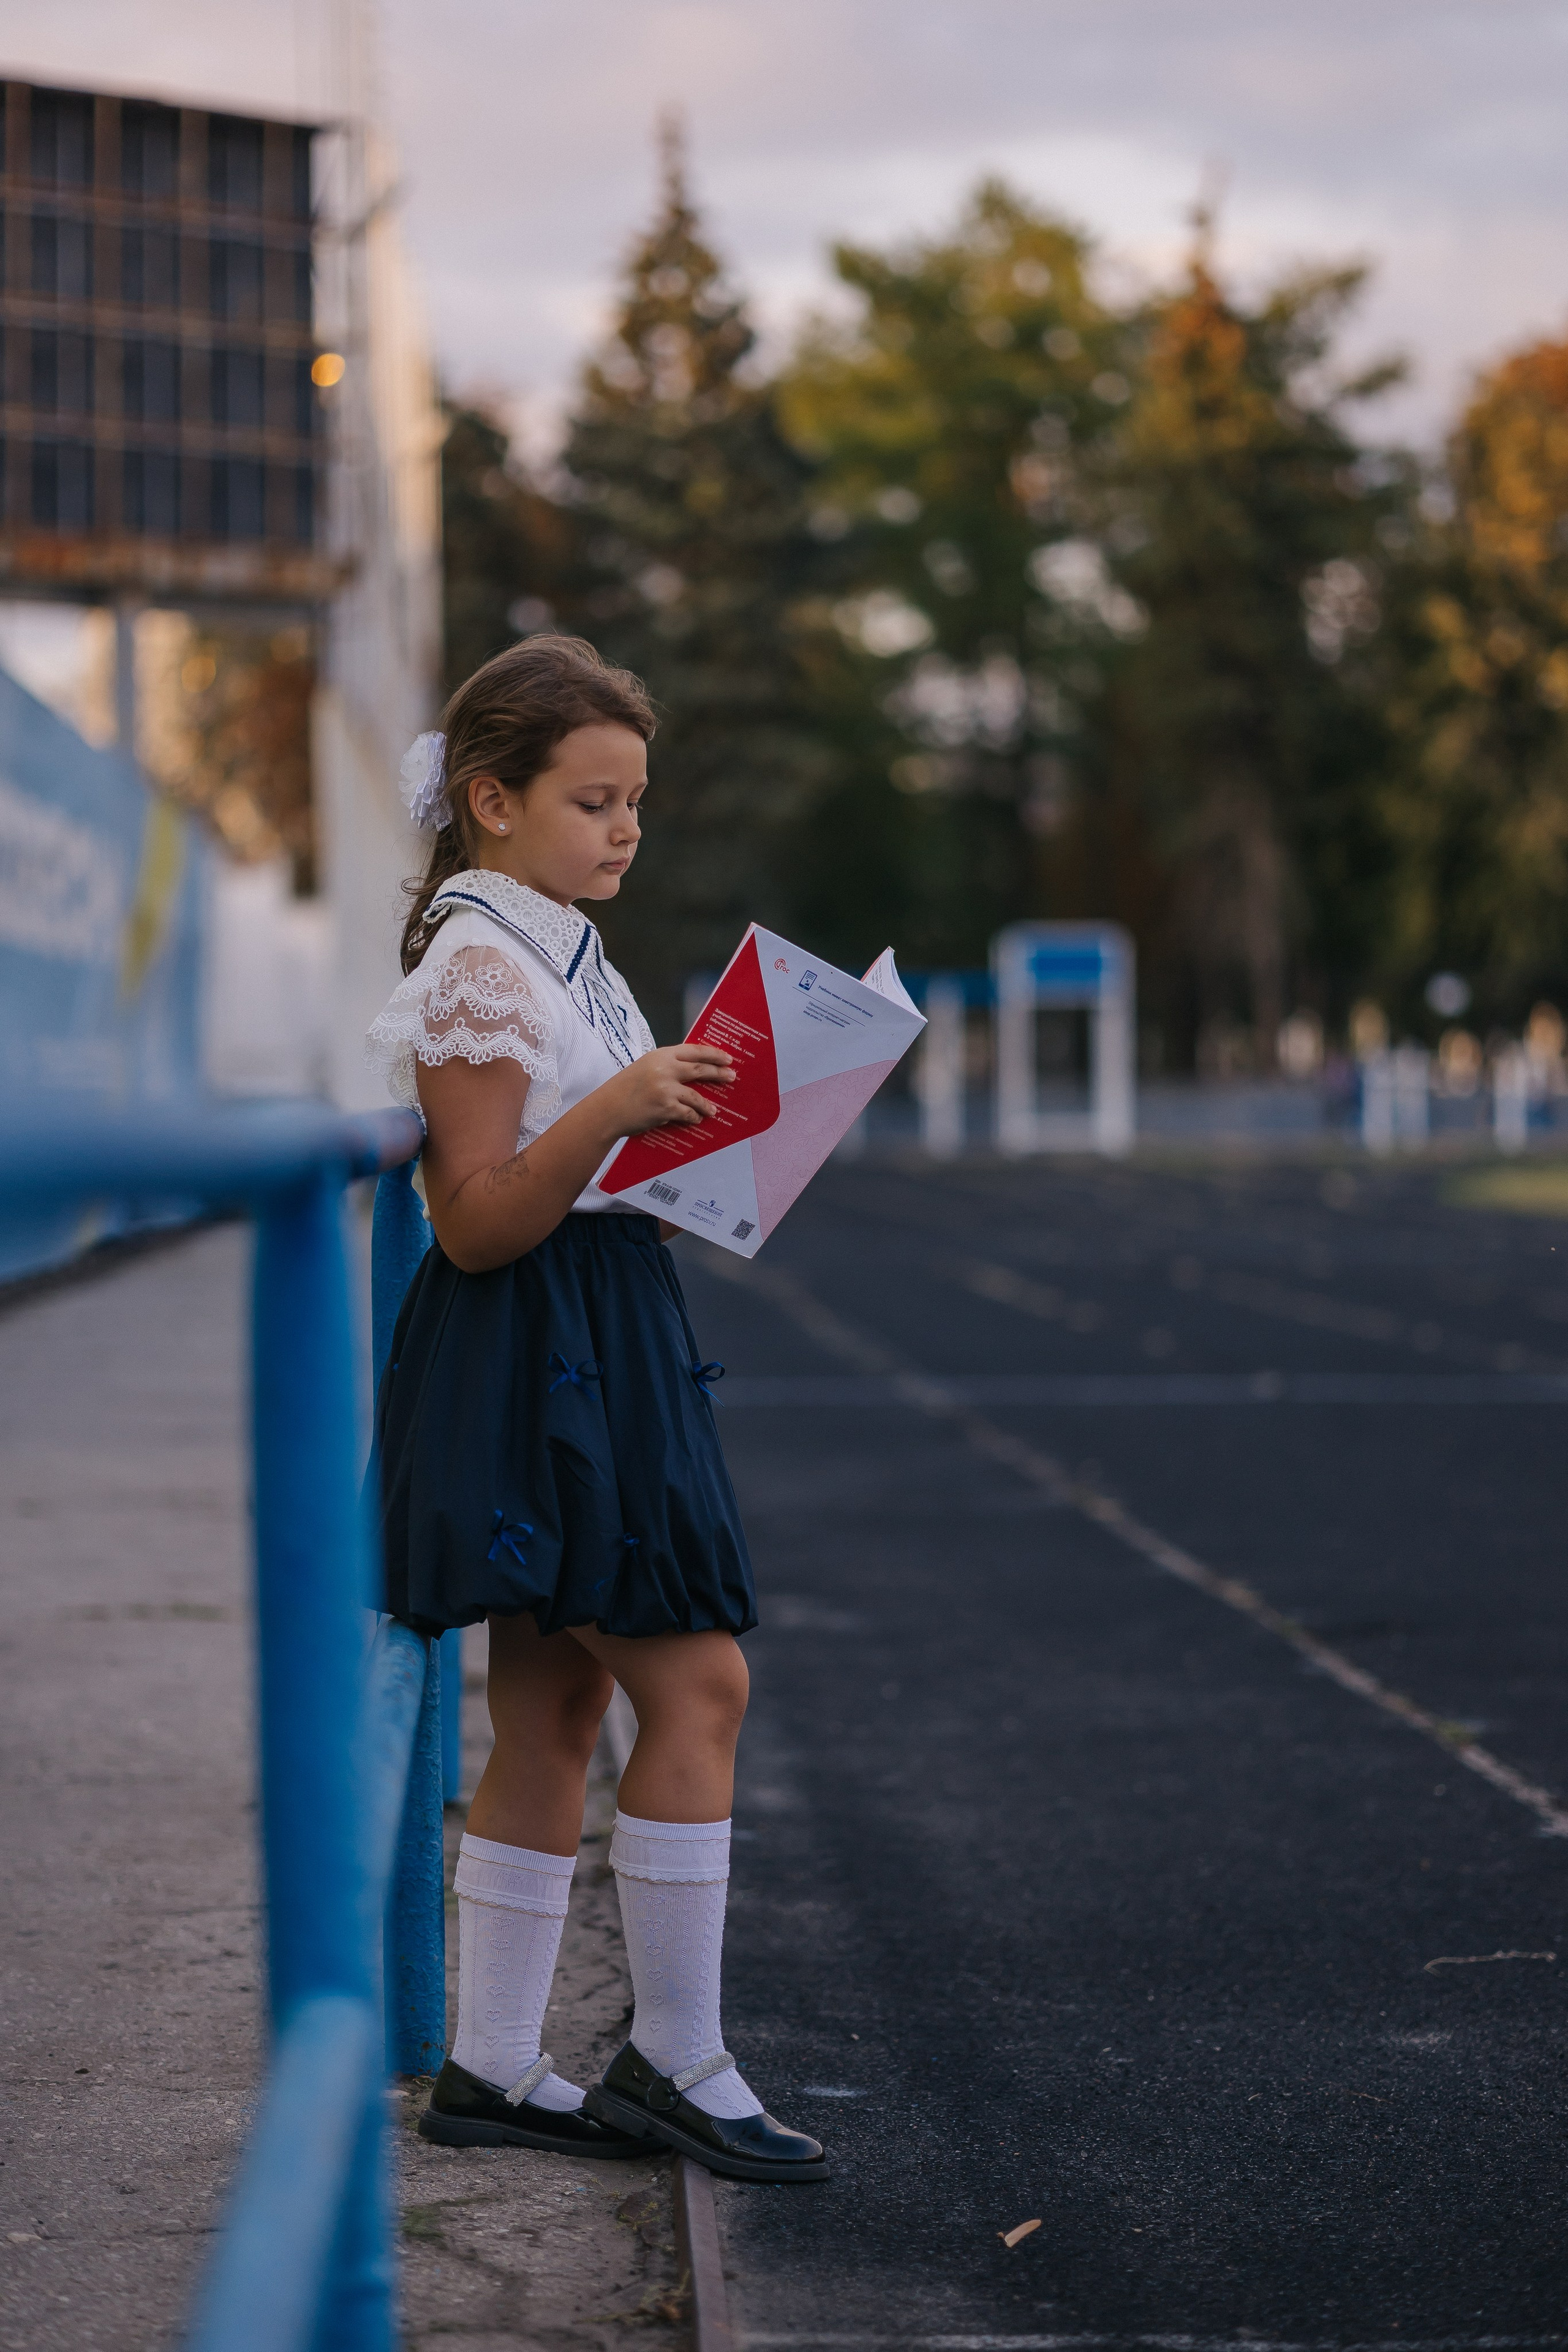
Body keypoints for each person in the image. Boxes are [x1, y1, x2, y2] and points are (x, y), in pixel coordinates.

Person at [367, 635, 826, 2185]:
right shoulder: (481, 965)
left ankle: (493, 2062)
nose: (624, 828)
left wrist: (707, 1151)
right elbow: (478, 1215)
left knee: (559, 1703)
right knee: (699, 1690)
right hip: (535, 1343)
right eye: (591, 799)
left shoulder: (563, 944)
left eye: (635, 800)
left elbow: (589, 1175)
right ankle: (678, 2055)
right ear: (490, 801)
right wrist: (613, 1113)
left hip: (598, 1331)